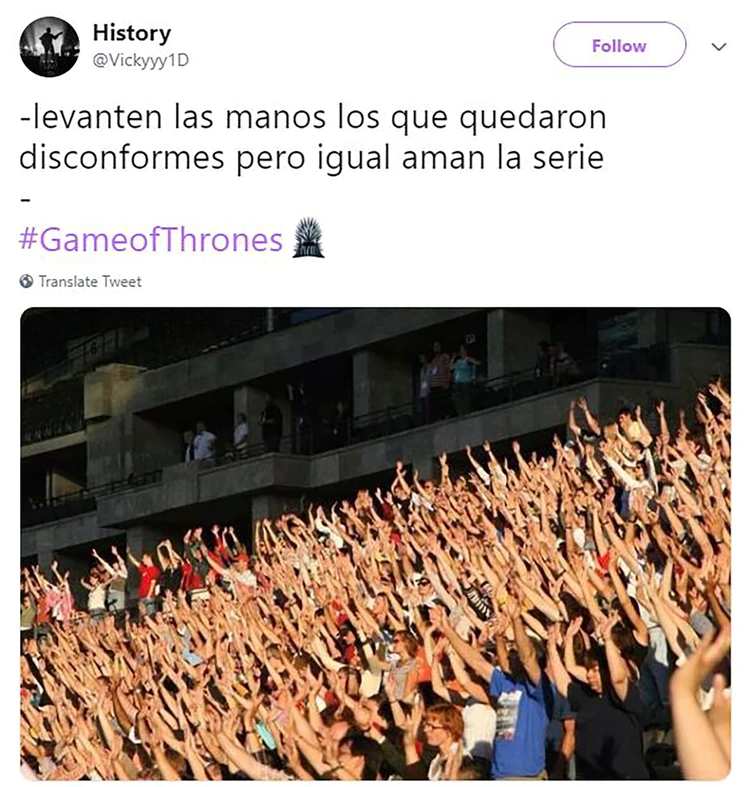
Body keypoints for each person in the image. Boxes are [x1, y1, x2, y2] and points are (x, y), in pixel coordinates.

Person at [451, 344, 480, 416]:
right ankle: (460, 414)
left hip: (465, 382)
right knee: (458, 400)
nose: (461, 352)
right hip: (457, 383)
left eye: (462, 350)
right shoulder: (458, 362)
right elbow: (451, 367)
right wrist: (453, 358)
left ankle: (467, 413)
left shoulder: (468, 359)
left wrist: (471, 361)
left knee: (466, 400)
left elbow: (477, 363)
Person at [428, 341, 452, 420]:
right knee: (435, 403)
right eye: (435, 347)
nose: (436, 348)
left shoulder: (445, 356)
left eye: (437, 346)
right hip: (434, 385)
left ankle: (446, 415)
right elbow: (432, 373)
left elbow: (448, 369)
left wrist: (447, 382)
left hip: (442, 384)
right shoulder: (433, 361)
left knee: (444, 401)